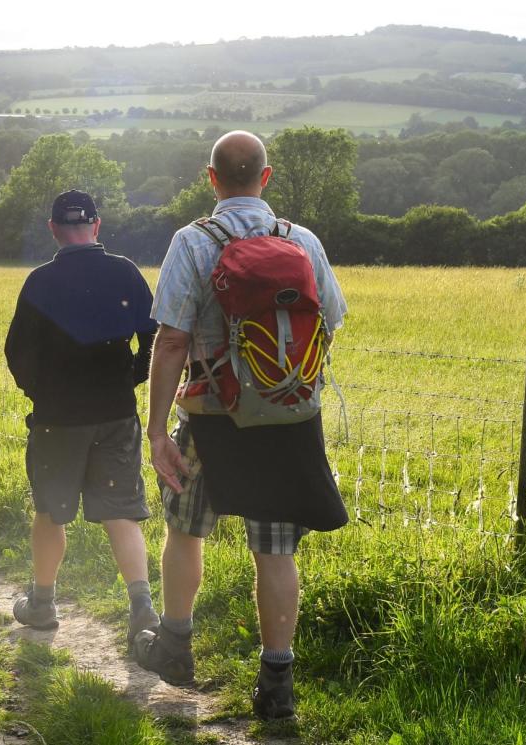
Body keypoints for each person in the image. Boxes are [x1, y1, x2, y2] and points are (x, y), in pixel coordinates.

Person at [135, 131, 349, 721]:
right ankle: (276, 681)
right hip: (287, 416)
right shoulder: (301, 240)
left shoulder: (193, 240)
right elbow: (331, 316)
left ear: (211, 179)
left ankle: (175, 647)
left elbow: (172, 337)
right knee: (275, 550)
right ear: (266, 176)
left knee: (186, 528)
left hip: (212, 418)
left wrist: (156, 432)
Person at [5, 189, 161, 644]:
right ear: (97, 225)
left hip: (57, 418)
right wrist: (130, 378)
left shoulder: (39, 281)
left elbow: (17, 352)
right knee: (121, 513)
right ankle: (142, 609)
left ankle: (42, 604)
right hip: (115, 413)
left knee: (51, 513)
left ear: (53, 229)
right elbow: (154, 336)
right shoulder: (125, 271)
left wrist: (42, 392)